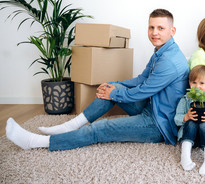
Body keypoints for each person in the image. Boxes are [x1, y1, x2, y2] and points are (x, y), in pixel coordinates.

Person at [6, 8, 190, 151]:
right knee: (114, 87)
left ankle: (37, 142)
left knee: (102, 128)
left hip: (158, 124)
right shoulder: (162, 50)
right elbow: (142, 78)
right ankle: (71, 125)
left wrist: (115, 93)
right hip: (154, 107)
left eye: (160, 28)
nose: (154, 32)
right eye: (151, 27)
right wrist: (113, 87)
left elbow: (144, 90)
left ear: (172, 30)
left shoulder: (170, 61)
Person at [174, 65, 205, 175]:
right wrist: (186, 117)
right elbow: (176, 119)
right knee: (191, 122)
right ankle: (185, 156)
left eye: (202, 83)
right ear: (189, 83)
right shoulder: (185, 99)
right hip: (190, 137)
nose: (197, 86)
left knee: (204, 124)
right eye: (194, 83)